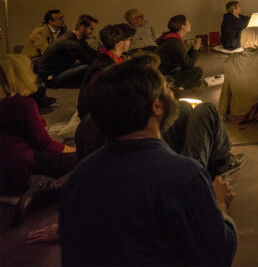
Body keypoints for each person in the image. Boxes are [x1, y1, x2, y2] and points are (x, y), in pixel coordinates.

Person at [59, 58, 237, 267]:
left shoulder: (78, 178)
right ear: (157, 106)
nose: (171, 91)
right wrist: (219, 207)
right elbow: (217, 255)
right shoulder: (186, 177)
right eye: (167, 88)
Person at [0, 54, 77, 202]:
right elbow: (44, 143)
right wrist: (73, 150)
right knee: (80, 158)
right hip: (18, 164)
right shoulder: (23, 104)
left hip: (5, 164)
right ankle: (42, 190)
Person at [77, 23, 135, 116]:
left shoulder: (109, 57)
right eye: (129, 39)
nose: (130, 42)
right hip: (95, 113)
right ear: (120, 43)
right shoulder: (106, 65)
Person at [36, 14, 99, 88]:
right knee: (88, 67)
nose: (92, 32)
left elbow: (92, 52)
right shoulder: (71, 43)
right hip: (50, 78)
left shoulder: (77, 38)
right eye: (91, 29)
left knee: (88, 65)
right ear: (82, 27)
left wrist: (106, 55)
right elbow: (89, 60)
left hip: (60, 70)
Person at [157, 15, 204, 90]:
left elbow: (184, 60)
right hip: (166, 77)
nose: (190, 23)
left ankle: (187, 85)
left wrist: (194, 48)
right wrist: (195, 49)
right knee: (198, 71)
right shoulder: (174, 42)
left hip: (168, 71)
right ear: (182, 26)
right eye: (188, 22)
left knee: (195, 75)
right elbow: (188, 64)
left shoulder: (171, 37)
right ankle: (178, 86)